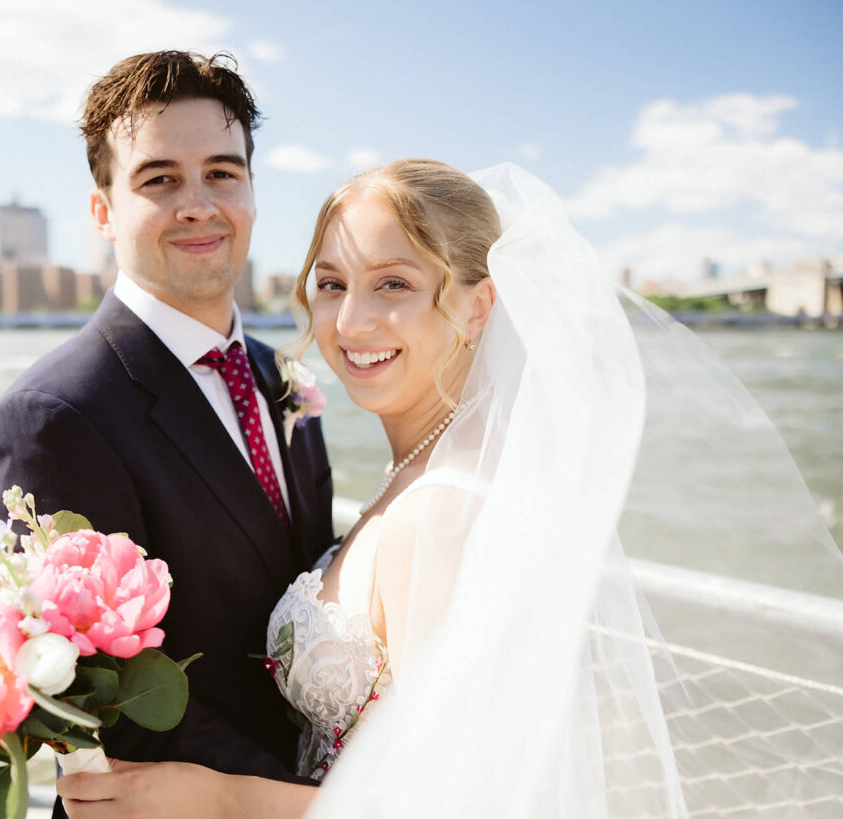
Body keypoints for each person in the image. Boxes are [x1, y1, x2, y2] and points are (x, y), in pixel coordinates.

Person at [57, 159, 843, 817]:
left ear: (477, 303)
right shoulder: (411, 477)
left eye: (392, 284)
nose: (351, 322)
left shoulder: (448, 510)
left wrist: (222, 799)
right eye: (330, 284)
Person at [0, 50, 335, 817]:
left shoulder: (283, 377)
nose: (199, 203)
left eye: (223, 172)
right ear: (103, 212)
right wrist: (312, 802)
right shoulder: (53, 415)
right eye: (159, 178)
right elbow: (94, 693)